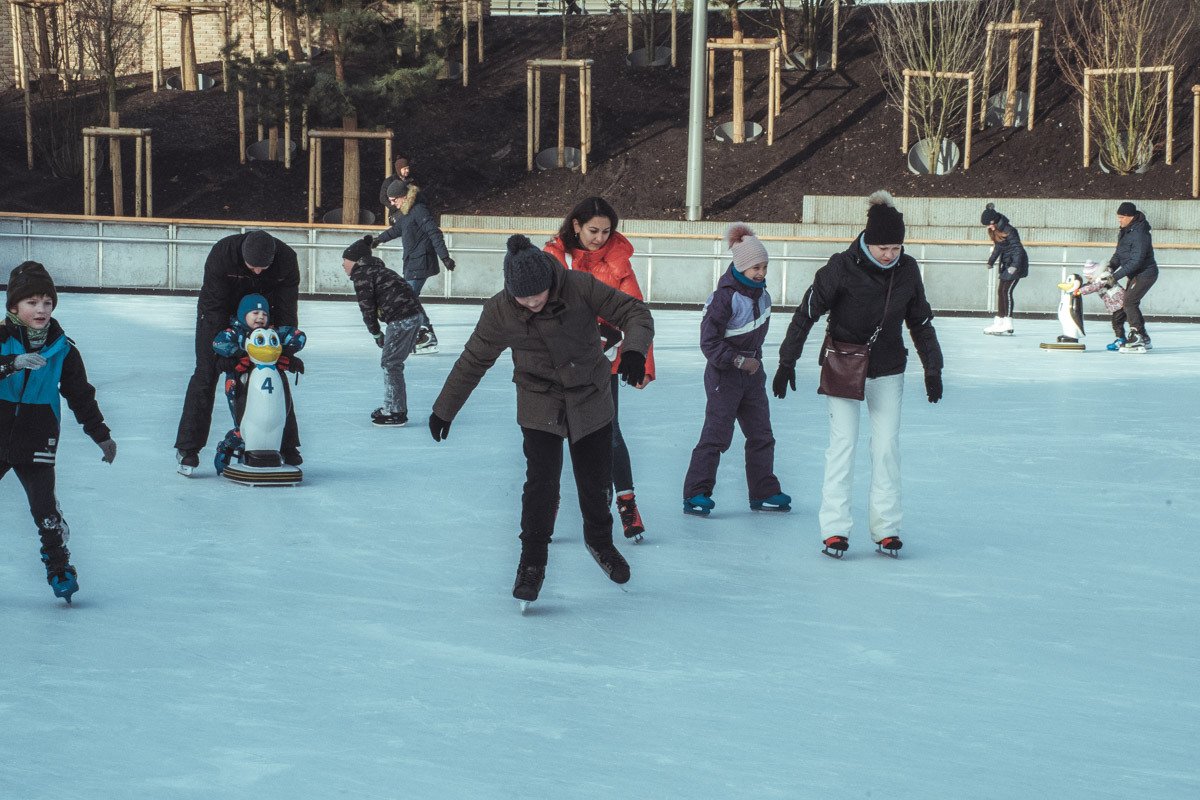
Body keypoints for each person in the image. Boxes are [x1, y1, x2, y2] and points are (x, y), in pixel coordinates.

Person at [428, 234, 653, 606]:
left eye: (539, 295)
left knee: (596, 479)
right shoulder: (500, 310)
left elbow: (635, 313)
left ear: (550, 282)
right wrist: (444, 408)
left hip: (589, 394)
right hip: (539, 400)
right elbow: (474, 359)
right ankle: (531, 561)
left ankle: (600, 542)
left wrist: (633, 351)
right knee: (541, 485)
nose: (533, 303)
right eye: (524, 298)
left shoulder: (578, 286)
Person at [773, 191, 943, 559]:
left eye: (896, 247)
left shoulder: (907, 269)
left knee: (886, 448)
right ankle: (835, 530)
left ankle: (887, 529)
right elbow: (806, 313)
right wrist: (787, 361)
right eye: (883, 247)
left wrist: (933, 368)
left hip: (888, 368)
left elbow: (920, 321)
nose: (890, 254)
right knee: (843, 445)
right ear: (868, 240)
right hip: (844, 365)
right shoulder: (841, 267)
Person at [1, 262, 116, 603]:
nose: (41, 309)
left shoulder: (62, 349)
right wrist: (11, 364)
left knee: (44, 509)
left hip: (37, 434)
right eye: (32, 302)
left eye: (47, 302)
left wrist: (100, 434)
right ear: (13, 307)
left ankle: (59, 566)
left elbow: (80, 395)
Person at [544, 197, 654, 541]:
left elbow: (637, 313)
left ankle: (626, 503)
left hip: (601, 363)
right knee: (552, 432)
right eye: (593, 230)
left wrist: (641, 360)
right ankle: (546, 505)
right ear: (576, 225)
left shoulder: (618, 261)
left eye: (606, 232)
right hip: (559, 362)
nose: (599, 238)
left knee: (609, 431)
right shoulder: (553, 258)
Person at [681, 223, 790, 517]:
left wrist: (754, 364)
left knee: (761, 434)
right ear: (741, 266)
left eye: (764, 266)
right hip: (724, 375)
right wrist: (738, 361)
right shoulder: (724, 297)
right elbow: (709, 342)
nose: (761, 272)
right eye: (756, 267)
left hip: (753, 376)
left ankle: (764, 491)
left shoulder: (763, 296)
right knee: (716, 435)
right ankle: (696, 493)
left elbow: (755, 336)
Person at [174, 229, 302, 474]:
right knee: (205, 374)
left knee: (274, 372)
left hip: (263, 313)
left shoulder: (286, 259)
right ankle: (188, 449)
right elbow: (214, 309)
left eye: (263, 268)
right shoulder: (223, 254)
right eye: (252, 267)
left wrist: (285, 351)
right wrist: (225, 354)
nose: (258, 272)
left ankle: (286, 445)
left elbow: (287, 309)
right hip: (219, 312)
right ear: (243, 256)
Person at [211, 294, 305, 470]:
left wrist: (284, 351)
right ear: (243, 315)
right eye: (255, 313)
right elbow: (218, 342)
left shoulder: (272, 333)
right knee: (245, 423)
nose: (260, 317)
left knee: (275, 418)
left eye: (264, 314)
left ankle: (278, 450)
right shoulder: (237, 333)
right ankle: (227, 447)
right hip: (240, 382)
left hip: (268, 381)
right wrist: (237, 353)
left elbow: (298, 336)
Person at [341, 235, 427, 426]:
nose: (343, 264)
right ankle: (393, 406)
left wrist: (376, 333)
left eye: (345, 260)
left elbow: (367, 308)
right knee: (392, 362)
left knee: (391, 363)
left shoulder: (363, 274)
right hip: (413, 316)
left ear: (356, 261)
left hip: (403, 319)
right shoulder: (380, 271)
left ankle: (395, 411)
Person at [373, 182, 456, 355]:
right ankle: (425, 334)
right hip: (412, 262)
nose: (392, 204)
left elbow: (434, 232)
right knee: (410, 299)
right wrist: (379, 239)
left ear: (404, 196)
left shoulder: (419, 210)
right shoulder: (406, 212)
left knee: (407, 299)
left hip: (421, 262)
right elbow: (397, 229)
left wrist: (445, 257)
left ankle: (424, 335)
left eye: (394, 200)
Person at [1103, 201, 1158, 352]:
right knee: (1129, 302)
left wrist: (1115, 277)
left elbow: (1136, 261)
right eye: (1118, 217)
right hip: (1135, 274)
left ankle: (1137, 336)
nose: (1119, 220)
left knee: (1129, 302)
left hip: (1145, 273)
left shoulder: (1140, 234)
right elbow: (1119, 254)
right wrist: (1109, 267)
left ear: (1130, 216)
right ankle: (1143, 337)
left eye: (1121, 217)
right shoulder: (1125, 231)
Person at [980, 203, 1029, 336]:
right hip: (1007, 264)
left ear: (994, 221)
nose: (988, 227)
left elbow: (1018, 249)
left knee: (1006, 291)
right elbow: (998, 247)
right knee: (1000, 291)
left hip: (1016, 264)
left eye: (989, 224)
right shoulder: (996, 230)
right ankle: (1000, 321)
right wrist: (991, 261)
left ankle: (1008, 323)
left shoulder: (1009, 230)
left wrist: (1014, 266)